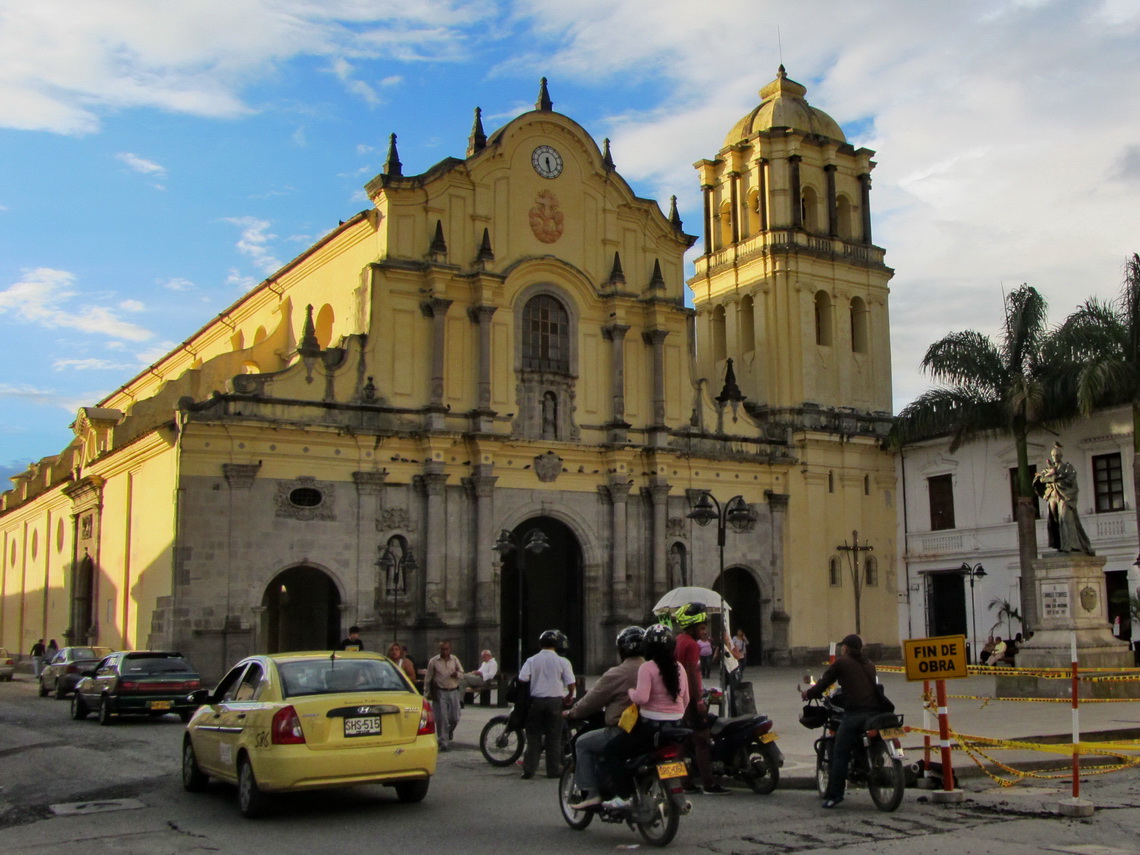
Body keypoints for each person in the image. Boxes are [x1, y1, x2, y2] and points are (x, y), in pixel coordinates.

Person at [600, 624, 690, 811]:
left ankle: (624, 796)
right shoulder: (679, 667)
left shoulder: (647, 668)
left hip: (651, 728)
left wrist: (631, 692)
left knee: (612, 751)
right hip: (677, 726)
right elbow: (686, 699)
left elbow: (642, 698)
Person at [565, 626, 645, 809]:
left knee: (582, 743)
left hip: (621, 729)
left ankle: (591, 793)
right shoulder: (651, 669)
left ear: (621, 649)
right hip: (646, 729)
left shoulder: (617, 673)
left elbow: (592, 701)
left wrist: (572, 713)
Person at [801, 633, 883, 808]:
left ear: (845, 648)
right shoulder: (870, 664)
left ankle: (835, 795)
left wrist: (808, 694)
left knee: (840, 751)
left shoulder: (841, 662)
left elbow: (823, 683)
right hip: (875, 713)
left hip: (855, 713)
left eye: (842, 647)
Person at [673, 603, 729, 794]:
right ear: (693, 625)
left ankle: (685, 782)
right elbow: (691, 673)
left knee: (684, 742)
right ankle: (709, 783)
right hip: (690, 699)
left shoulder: (678, 640)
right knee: (702, 740)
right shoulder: (690, 644)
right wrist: (698, 700)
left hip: (680, 699)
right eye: (702, 626)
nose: (704, 630)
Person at [518, 629, 576, 779]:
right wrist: (569, 696)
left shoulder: (532, 660)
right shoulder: (563, 661)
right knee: (554, 737)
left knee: (533, 736)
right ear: (556, 644)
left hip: (536, 702)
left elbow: (523, 678)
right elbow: (571, 683)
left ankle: (529, 769)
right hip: (555, 702)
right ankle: (553, 770)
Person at [1034, 443, 1094, 555]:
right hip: (1052, 496)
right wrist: (1054, 476)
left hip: (1064, 496)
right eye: (1053, 455)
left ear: (1061, 456)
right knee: (1055, 521)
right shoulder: (1048, 469)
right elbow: (1041, 479)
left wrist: (1054, 477)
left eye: (1057, 455)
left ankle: (1071, 545)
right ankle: (1061, 545)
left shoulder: (1067, 467)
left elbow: (1071, 481)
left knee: (1066, 519)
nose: (1055, 457)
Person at [423, 640, 464, 751]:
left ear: (450, 649)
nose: (444, 651)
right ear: (439, 649)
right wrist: (426, 692)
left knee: (455, 717)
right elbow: (428, 678)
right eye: (442, 649)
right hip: (440, 691)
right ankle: (443, 741)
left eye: (446, 649)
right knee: (442, 718)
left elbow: (462, 674)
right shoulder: (434, 661)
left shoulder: (454, 660)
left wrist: (457, 674)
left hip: (453, 691)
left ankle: (449, 731)